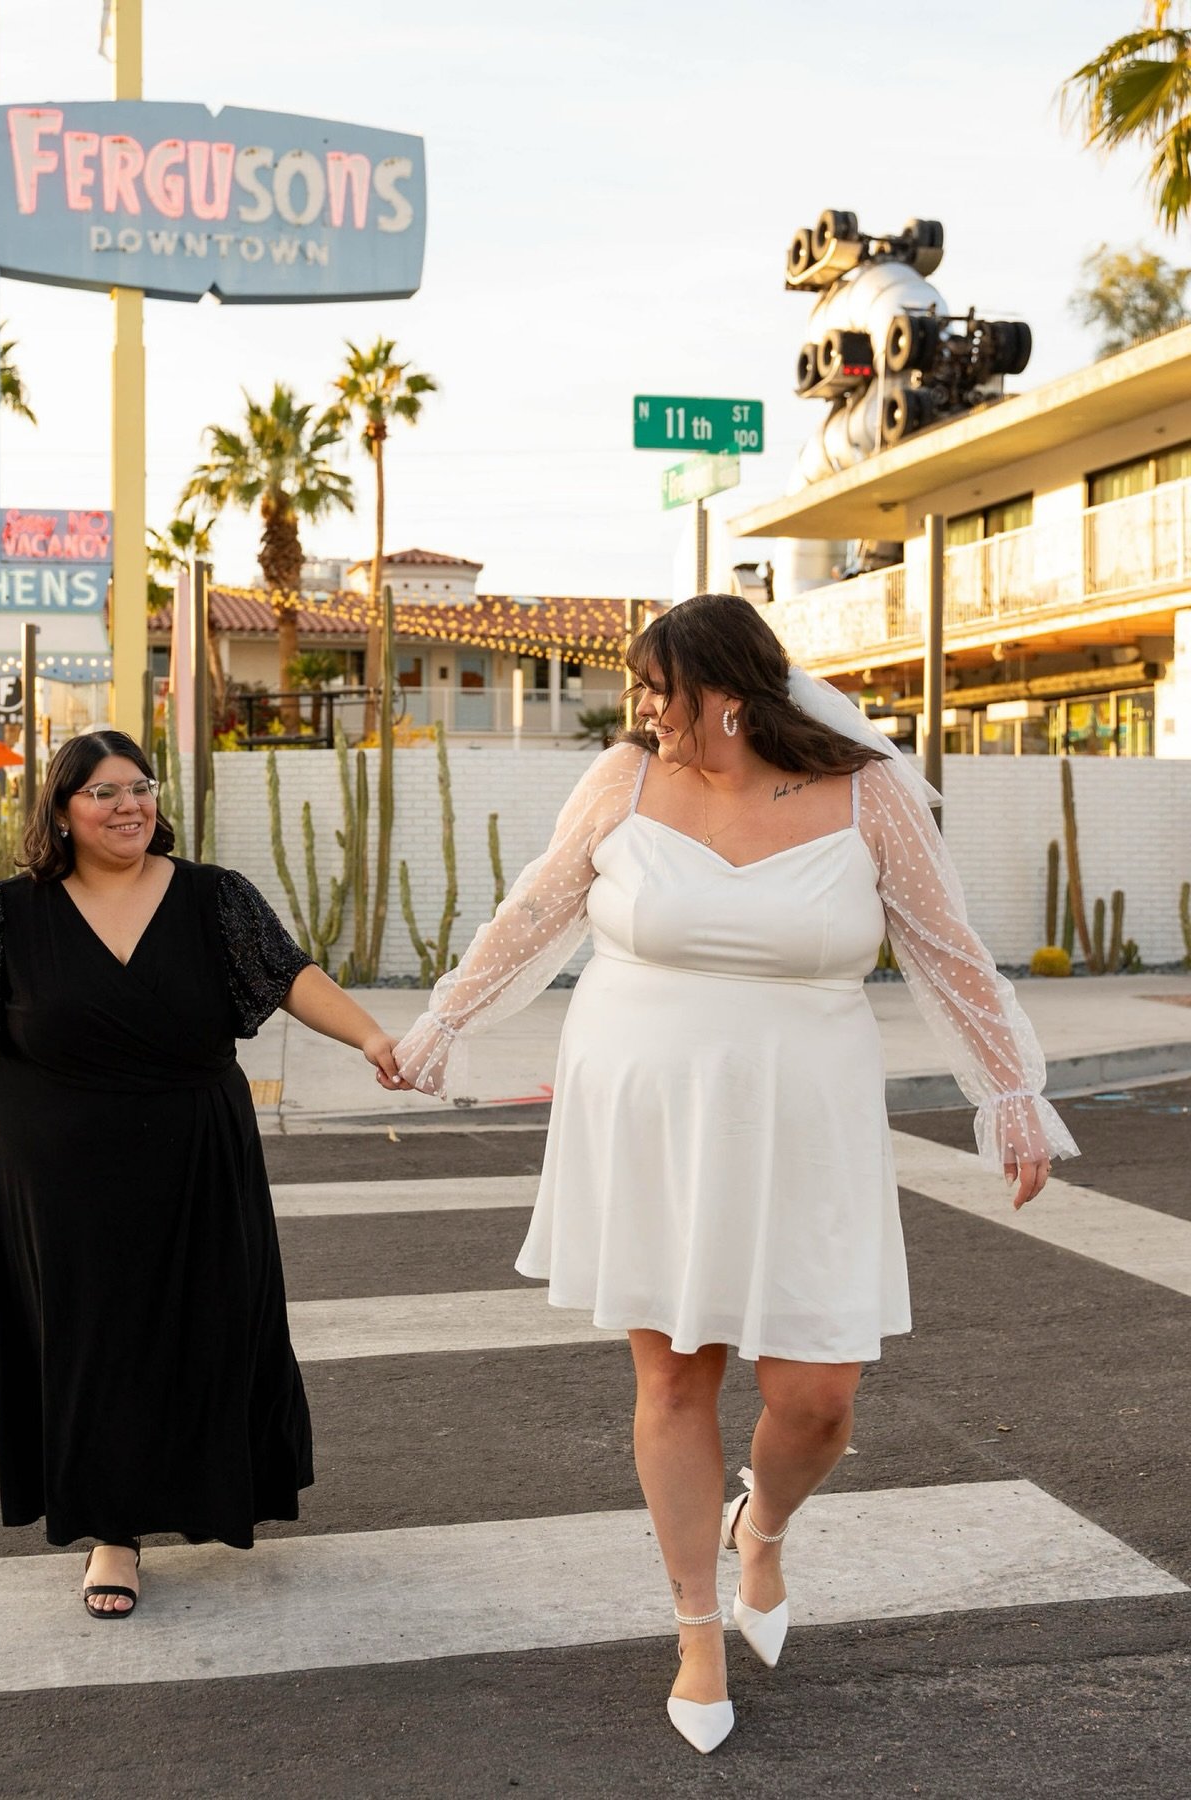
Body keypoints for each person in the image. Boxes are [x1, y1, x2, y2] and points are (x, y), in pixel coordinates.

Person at [392, 595, 1078, 1755]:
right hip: (648, 1114)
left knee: (819, 1398)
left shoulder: (866, 793)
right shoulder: (622, 780)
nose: (643, 709)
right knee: (673, 1381)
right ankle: (696, 1630)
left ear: (727, 690)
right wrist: (444, 1023)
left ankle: (759, 1527)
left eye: (660, 688)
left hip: (804, 1120)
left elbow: (949, 952)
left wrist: (1010, 1092)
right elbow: (538, 906)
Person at [0, 729, 404, 1619]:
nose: (128, 805)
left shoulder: (214, 896)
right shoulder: (8, 911)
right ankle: (113, 1532)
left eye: (139, 787)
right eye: (103, 792)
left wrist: (371, 1035)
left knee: (205, 1326)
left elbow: (290, 976)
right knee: (92, 1341)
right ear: (61, 811)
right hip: (56, 1169)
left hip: (195, 1156)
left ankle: (203, 1487)